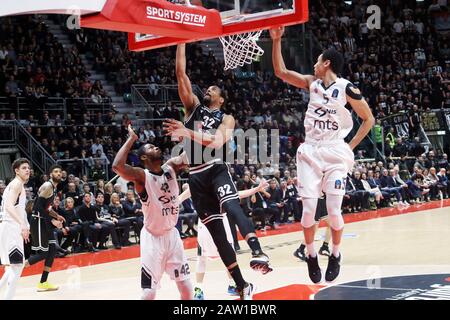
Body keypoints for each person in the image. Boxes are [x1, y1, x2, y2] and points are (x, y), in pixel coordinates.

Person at [163, 44, 272, 298]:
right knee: (218, 235)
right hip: (196, 176)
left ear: (221, 99)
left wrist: (185, 132)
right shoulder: (191, 108)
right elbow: (181, 72)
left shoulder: (227, 118)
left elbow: (216, 142)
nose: (209, 88)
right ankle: (241, 283)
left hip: (216, 169)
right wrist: (181, 40)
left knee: (233, 206)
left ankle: (257, 251)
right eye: (208, 88)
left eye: (214, 89)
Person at [271, 26, 375, 283]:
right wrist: (277, 40)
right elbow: (280, 72)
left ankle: (336, 254)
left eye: (318, 60)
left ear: (326, 63)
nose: (314, 64)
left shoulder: (348, 88)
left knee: (334, 210)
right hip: (311, 151)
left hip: (335, 151)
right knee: (308, 212)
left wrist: (349, 147)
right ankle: (310, 254)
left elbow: (368, 119)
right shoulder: (311, 83)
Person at [112, 125, 193, 300]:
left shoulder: (171, 166)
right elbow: (117, 167)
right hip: (152, 238)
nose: (156, 147)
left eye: (155, 146)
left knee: (187, 288)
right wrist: (131, 139)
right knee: (149, 292)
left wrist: (185, 138)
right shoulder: (142, 176)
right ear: (143, 157)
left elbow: (194, 156)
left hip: (172, 236)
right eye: (150, 147)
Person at [178, 179, 269, 300]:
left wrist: (256, 189)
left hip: (223, 221)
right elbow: (183, 195)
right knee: (202, 257)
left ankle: (233, 285)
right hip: (206, 222)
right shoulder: (199, 181)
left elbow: (238, 194)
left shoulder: (220, 181)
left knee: (230, 255)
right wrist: (172, 202)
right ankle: (198, 290)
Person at [25, 164, 66, 291]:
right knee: (44, 253)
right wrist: (53, 220)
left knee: (52, 250)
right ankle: (20, 266)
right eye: (56, 171)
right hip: (37, 220)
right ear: (50, 174)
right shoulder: (48, 186)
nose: (58, 173)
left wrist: (57, 215)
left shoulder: (54, 188)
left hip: (43, 221)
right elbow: (37, 207)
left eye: (60, 171)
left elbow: (47, 207)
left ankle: (43, 282)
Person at [0, 158, 31, 299]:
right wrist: (22, 224)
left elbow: (19, 209)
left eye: (28, 168)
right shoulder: (17, 184)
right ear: (16, 171)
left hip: (8, 227)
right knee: (17, 267)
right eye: (24, 168)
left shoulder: (16, 185)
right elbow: (9, 206)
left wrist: (25, 224)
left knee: (12, 267)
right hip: (11, 228)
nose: (27, 170)